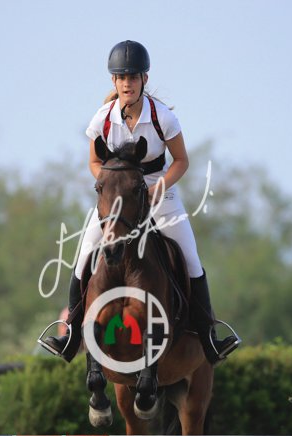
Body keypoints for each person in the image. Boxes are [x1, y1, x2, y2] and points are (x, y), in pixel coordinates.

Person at [40, 40, 239, 365]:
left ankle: (209, 339)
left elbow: (182, 161)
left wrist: (159, 187)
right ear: (114, 81)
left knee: (190, 257)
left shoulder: (163, 118)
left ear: (144, 79)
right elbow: (94, 162)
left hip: (159, 193)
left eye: (133, 77)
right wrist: (109, 186)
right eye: (121, 77)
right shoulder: (103, 119)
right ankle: (71, 336)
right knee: (83, 255)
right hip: (119, 200)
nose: (127, 83)